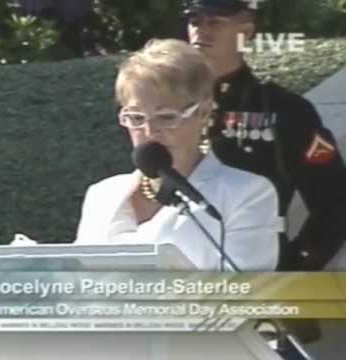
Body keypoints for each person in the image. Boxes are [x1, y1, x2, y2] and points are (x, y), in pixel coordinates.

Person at [75, 38, 280, 271]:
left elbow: (249, 293)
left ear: (203, 113)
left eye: (166, 117)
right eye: (136, 118)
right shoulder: (101, 195)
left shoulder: (246, 193)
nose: (150, 132)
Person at [180, 0, 346, 271]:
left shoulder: (283, 109)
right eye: (195, 21)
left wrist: (296, 271)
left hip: (262, 263)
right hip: (180, 264)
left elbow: (335, 204)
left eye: (215, 22)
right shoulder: (168, 104)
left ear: (245, 31)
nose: (201, 31)